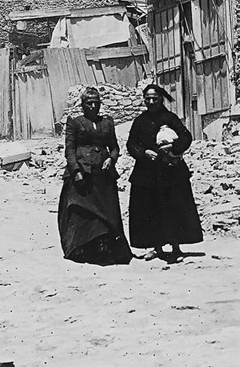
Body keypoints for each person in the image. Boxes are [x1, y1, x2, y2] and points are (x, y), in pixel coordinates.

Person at [126, 83, 203, 262]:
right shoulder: (140, 121)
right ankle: (156, 247)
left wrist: (172, 147)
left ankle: (176, 246)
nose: (151, 102)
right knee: (150, 210)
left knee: (173, 208)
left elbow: (186, 137)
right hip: (147, 173)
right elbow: (131, 144)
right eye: (148, 99)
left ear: (161, 99)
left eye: (155, 98)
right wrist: (144, 153)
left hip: (170, 172)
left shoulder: (170, 118)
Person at [57, 86, 132, 264]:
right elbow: (70, 149)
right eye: (89, 103)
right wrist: (75, 171)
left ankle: (105, 247)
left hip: (103, 175)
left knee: (107, 212)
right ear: (83, 105)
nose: (93, 106)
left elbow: (114, 147)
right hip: (83, 173)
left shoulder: (107, 123)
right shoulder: (75, 123)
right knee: (81, 212)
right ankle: (81, 248)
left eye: (96, 103)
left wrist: (111, 159)